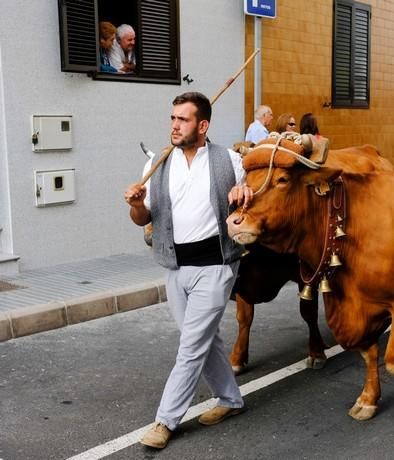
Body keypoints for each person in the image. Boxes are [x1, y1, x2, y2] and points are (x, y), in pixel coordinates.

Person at [123, 92, 250, 449]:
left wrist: (243, 193)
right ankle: (231, 399)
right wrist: (136, 205)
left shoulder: (231, 160)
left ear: (202, 125)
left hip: (216, 265)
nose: (174, 125)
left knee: (191, 347)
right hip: (175, 266)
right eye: (173, 118)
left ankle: (165, 421)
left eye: (183, 119)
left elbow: (249, 199)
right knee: (203, 340)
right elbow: (142, 219)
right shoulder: (158, 163)